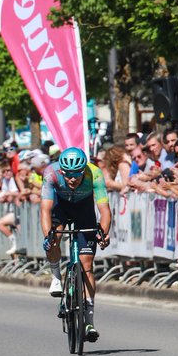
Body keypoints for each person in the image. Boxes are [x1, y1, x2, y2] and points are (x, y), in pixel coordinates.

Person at [40, 147, 112, 342]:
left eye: (77, 174)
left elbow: (104, 210)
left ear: (83, 170)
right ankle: (56, 277)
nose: (73, 179)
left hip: (84, 210)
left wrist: (104, 233)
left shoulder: (94, 173)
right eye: (69, 174)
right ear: (62, 171)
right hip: (60, 208)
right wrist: (48, 236)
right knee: (54, 238)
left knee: (87, 264)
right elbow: (45, 209)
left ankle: (89, 320)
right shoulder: (50, 173)